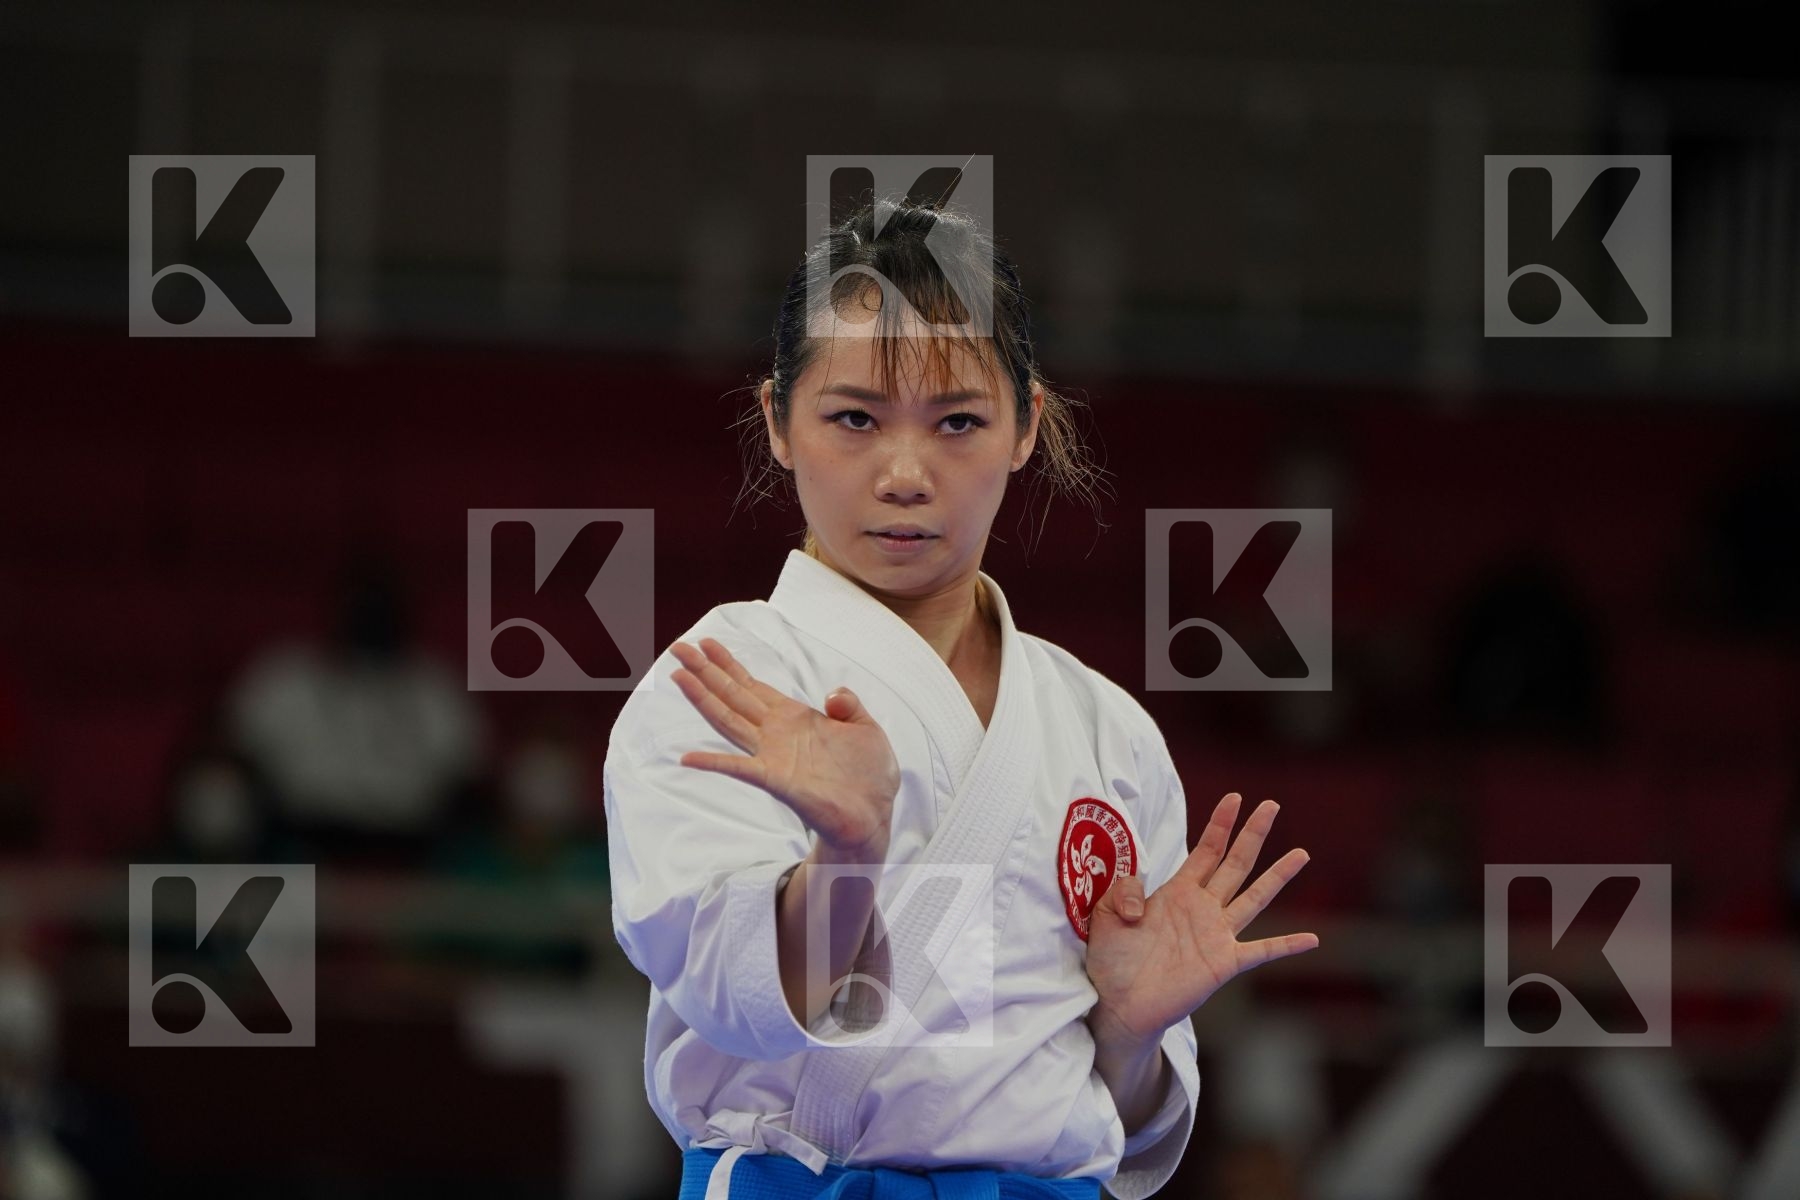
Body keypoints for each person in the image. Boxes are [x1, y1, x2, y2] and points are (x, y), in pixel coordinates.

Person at [603, 198, 1319, 1200]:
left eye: (958, 422)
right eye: (853, 417)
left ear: (1026, 427)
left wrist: (1128, 1027)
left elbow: (1121, 1116)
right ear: (776, 420)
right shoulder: (725, 680)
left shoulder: (1105, 730)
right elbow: (738, 1005)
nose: (905, 473)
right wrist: (844, 858)